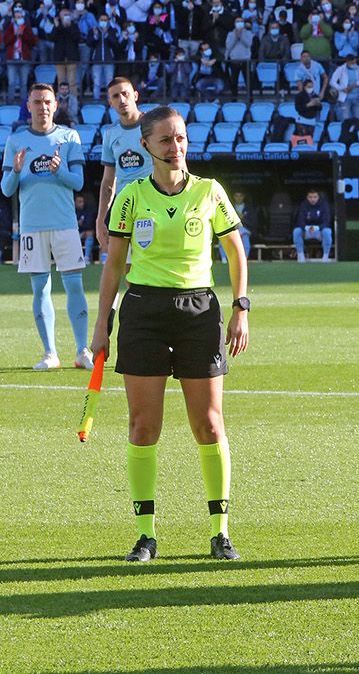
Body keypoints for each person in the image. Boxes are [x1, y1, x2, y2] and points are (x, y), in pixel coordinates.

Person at [90, 105, 250, 563]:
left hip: (199, 311)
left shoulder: (209, 191)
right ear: (145, 146)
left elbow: (237, 254)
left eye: (180, 138)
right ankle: (146, 535)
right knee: (144, 427)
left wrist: (241, 308)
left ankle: (220, 532)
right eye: (165, 139)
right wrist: (103, 322)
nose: (175, 146)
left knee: (210, 424)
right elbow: (114, 265)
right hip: (143, 312)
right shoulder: (132, 196)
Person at [2, 84, 92, 370]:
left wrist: (59, 171)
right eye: (37, 101)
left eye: (47, 102)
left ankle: (82, 351)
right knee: (40, 290)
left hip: (64, 224)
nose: (42, 106)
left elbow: (78, 183)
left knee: (74, 285)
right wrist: (16, 171)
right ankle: (50, 354)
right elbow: (6, 189)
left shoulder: (69, 137)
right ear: (28, 105)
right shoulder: (15, 141)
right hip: (32, 226)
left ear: (55, 105)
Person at [97, 78, 149, 259]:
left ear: (135, 95)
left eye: (125, 94)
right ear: (110, 102)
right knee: (128, 269)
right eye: (116, 96)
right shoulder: (110, 134)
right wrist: (100, 220)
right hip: (125, 207)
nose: (122, 99)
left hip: (153, 203)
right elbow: (108, 182)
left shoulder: (152, 126)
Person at [292, 190, 334, 262]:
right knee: (296, 231)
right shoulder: (303, 205)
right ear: (307, 197)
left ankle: (325, 257)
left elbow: (326, 221)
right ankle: (301, 257)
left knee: (327, 232)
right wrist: (306, 227)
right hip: (307, 231)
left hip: (319, 231)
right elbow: (300, 220)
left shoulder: (324, 205)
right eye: (310, 197)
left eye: (315, 197)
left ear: (318, 197)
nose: (312, 199)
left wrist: (318, 227)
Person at [76, 193, 98, 262]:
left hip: (83, 233)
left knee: (90, 233)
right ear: (74, 202)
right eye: (79, 202)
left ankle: (86, 258)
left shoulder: (87, 210)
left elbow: (89, 224)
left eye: (82, 201)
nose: (82, 204)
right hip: (73, 233)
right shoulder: (70, 211)